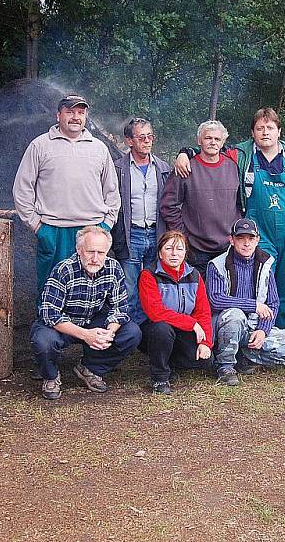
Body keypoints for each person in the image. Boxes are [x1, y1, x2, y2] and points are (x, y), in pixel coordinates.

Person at [174, 108, 285, 328]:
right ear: (252, 133)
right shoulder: (241, 154)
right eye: (260, 128)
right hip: (256, 231)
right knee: (259, 280)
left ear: (279, 131)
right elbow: (211, 149)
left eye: (270, 128)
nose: (265, 132)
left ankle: (276, 331)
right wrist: (186, 152)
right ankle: (253, 330)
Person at [13, 94, 120, 293]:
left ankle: (86, 324)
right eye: (69, 112)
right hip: (54, 229)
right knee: (52, 286)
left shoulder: (99, 148)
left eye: (80, 113)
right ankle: (48, 323)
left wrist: (106, 224)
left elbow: (112, 191)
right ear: (58, 115)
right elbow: (22, 189)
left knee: (90, 288)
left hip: (91, 229)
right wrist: (37, 226)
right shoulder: (40, 146)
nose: (75, 117)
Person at [30, 226, 141, 399]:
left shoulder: (114, 268)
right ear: (79, 250)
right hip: (62, 323)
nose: (95, 258)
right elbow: (49, 314)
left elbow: (120, 308)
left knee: (131, 333)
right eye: (90, 251)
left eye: (101, 252)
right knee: (43, 341)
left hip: (92, 319)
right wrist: (85, 335)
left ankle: (90, 368)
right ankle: (51, 376)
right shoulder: (63, 269)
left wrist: (109, 333)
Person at [206, 218, 285, 386]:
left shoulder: (265, 263)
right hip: (226, 324)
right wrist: (253, 305)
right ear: (232, 240)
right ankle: (225, 366)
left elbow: (272, 304)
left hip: (253, 326)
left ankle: (244, 355)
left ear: (257, 240)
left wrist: (263, 331)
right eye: (241, 238)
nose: (246, 243)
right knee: (235, 315)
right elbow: (215, 299)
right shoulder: (217, 264)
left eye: (250, 239)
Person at [160, 120, 241, 275]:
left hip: (227, 247)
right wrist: (183, 234)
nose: (212, 142)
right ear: (199, 141)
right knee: (198, 295)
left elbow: (240, 203)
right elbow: (168, 205)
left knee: (225, 296)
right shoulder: (186, 167)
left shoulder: (233, 167)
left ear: (223, 142)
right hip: (196, 249)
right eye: (208, 138)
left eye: (217, 139)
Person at [138, 230, 214, 395]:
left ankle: (170, 361)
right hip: (154, 330)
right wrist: (192, 323)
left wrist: (205, 342)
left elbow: (203, 312)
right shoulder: (149, 275)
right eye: (168, 249)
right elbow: (155, 312)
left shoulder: (194, 275)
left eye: (179, 249)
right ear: (159, 252)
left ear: (185, 253)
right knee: (162, 329)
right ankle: (160, 377)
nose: (174, 254)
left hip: (183, 331)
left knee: (205, 361)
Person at [112, 118, 172, 324]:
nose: (147, 141)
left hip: (156, 234)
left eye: (150, 136)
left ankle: (149, 331)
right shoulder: (117, 169)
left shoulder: (164, 169)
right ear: (129, 141)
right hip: (131, 234)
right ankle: (130, 332)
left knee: (152, 284)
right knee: (128, 286)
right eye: (141, 137)